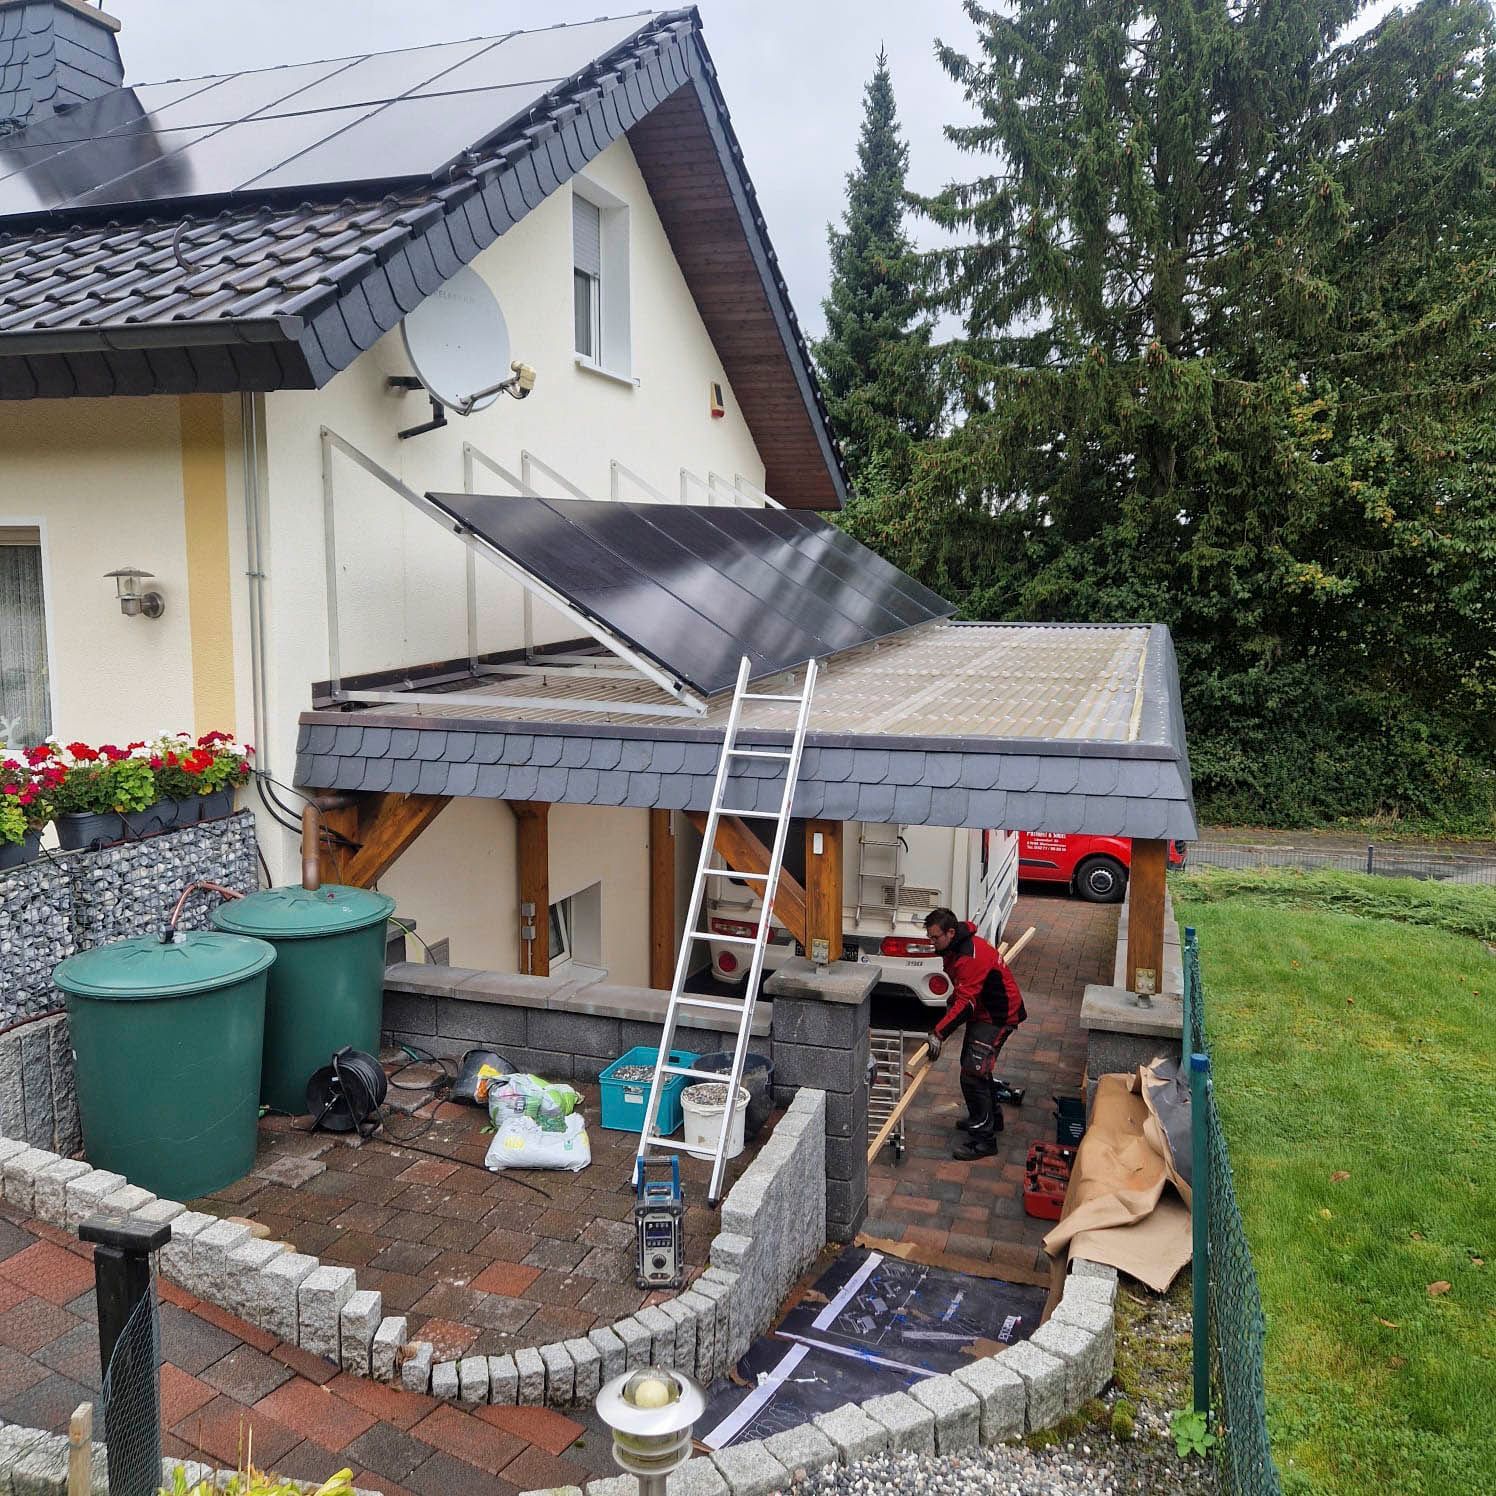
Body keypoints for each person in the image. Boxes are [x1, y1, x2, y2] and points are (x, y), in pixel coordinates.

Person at [922, 907, 1026, 1159]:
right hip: (984, 1012)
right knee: (974, 1068)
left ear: (950, 932)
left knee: (973, 1073)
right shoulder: (954, 948)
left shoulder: (969, 955)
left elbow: (966, 1002)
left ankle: (984, 1140)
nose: (932, 943)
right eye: (930, 937)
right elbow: (964, 990)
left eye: (935, 937)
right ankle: (991, 1119)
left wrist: (938, 1033)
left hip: (998, 1016)